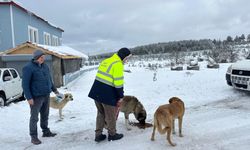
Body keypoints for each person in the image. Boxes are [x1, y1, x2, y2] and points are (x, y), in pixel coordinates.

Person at [88, 47, 132, 142]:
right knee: (110, 115)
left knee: (100, 113)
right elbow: (118, 83)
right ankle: (112, 134)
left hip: (96, 92)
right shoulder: (118, 64)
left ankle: (98, 135)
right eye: (127, 58)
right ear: (123, 56)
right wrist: (120, 96)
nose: (127, 60)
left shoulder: (107, 61)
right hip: (107, 94)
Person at [22, 50, 60, 145]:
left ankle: (45, 131)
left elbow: (49, 80)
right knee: (34, 117)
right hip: (35, 97)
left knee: (45, 115)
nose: (43, 59)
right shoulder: (28, 68)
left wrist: (55, 90)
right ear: (36, 57)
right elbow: (25, 85)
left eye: (44, 57)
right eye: (41, 57)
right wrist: (29, 97)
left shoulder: (45, 66)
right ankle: (33, 136)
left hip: (46, 94)